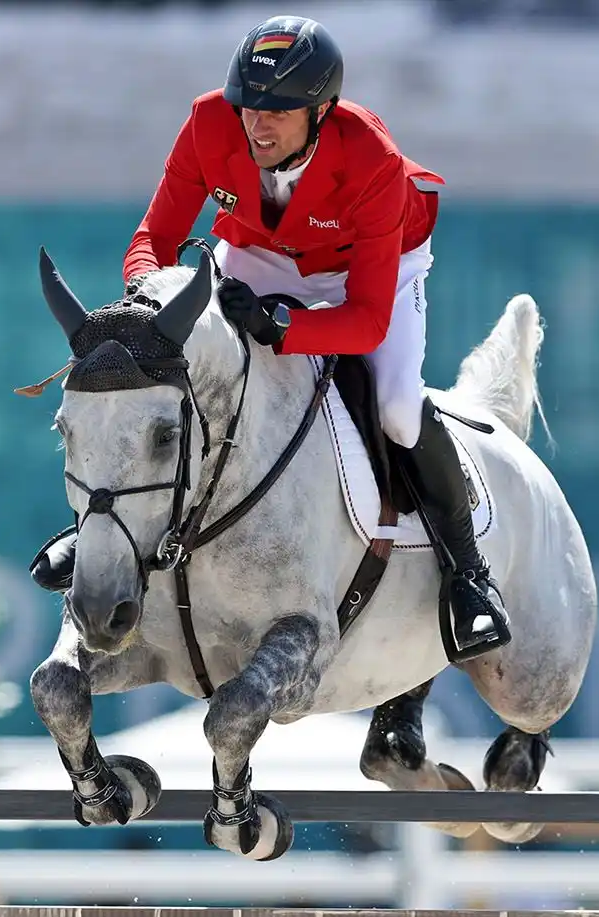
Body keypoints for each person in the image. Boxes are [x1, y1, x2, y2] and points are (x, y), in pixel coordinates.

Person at [30, 15, 511, 661]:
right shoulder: (207, 123)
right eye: (250, 107)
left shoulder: (372, 160)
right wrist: (148, 307)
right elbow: (153, 240)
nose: (258, 125)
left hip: (373, 268)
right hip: (259, 253)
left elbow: (365, 319)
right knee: (185, 374)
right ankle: (100, 528)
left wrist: (280, 328)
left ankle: (469, 575)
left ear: (321, 111)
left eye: (279, 112)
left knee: (397, 408)